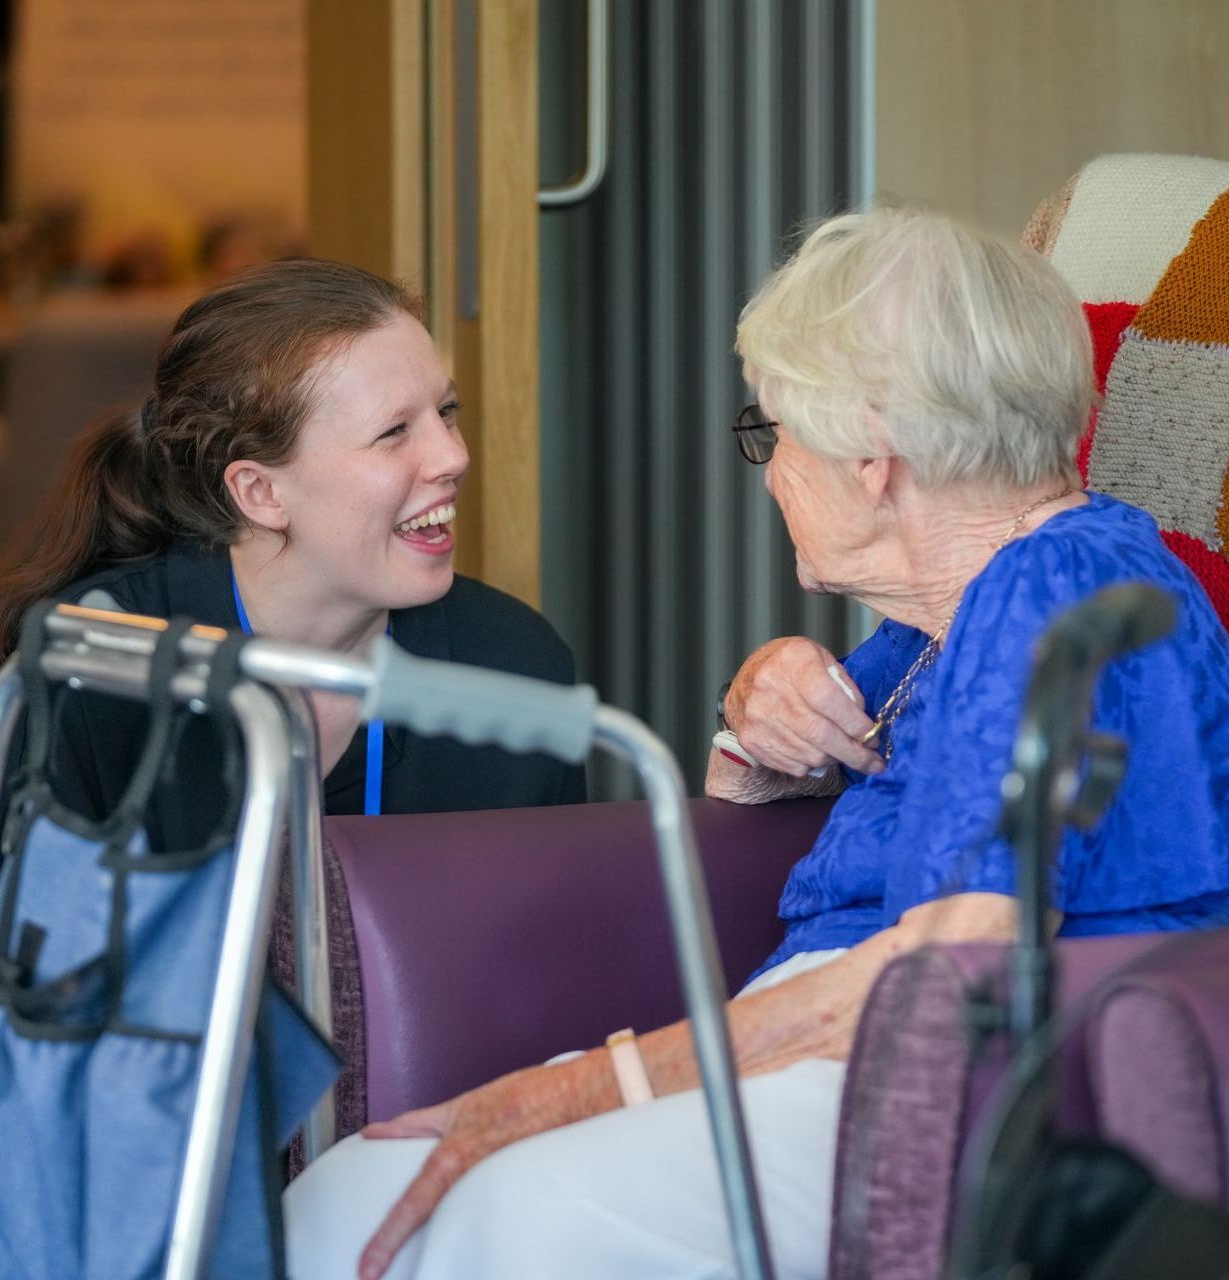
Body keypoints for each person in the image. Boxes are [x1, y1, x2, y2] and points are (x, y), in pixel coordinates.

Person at [281, 208, 1229, 1280]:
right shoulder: (940, 613)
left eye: (772, 430)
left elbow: (945, 972)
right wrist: (755, 720)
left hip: (964, 1075)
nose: (769, 468)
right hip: (833, 1039)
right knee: (348, 1194)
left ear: (872, 459)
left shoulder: (1056, 590)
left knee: (514, 1210)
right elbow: (746, 797)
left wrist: (568, 1087)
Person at [0, 258, 585, 851]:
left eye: (446, 412)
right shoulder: (96, 676)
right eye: (394, 432)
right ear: (259, 491)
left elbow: (553, 949)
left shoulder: (514, 670)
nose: (454, 456)